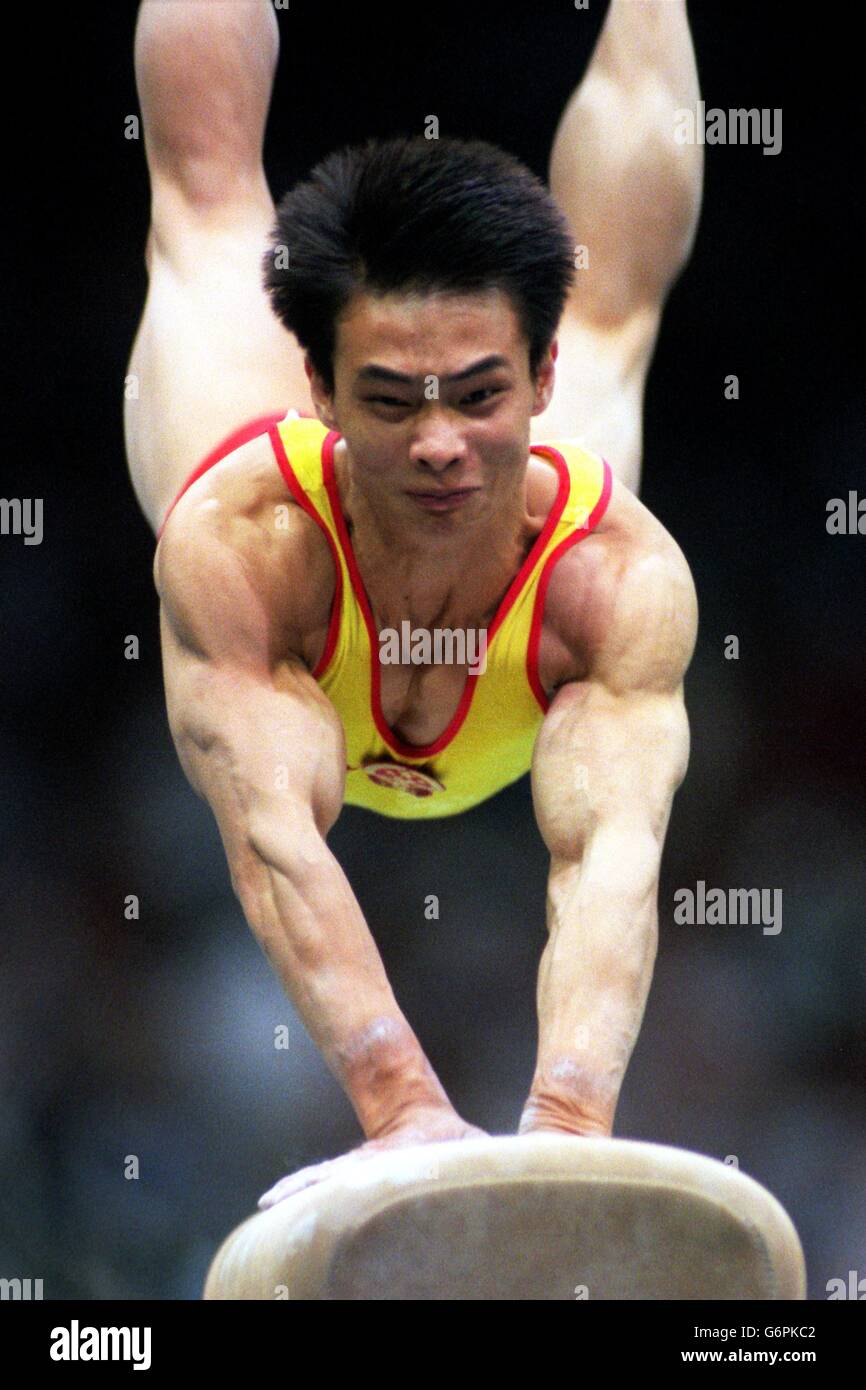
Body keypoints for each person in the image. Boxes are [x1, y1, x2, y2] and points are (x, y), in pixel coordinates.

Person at [124, 0, 703, 1206]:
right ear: (319, 393)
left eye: (479, 396)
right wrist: (402, 1110)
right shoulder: (245, 547)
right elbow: (272, 834)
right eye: (389, 400)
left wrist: (568, 1124)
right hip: (298, 543)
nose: (439, 444)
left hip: (531, 560)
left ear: (537, 383)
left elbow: (612, 852)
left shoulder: (613, 579)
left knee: (611, 301)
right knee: (205, 193)